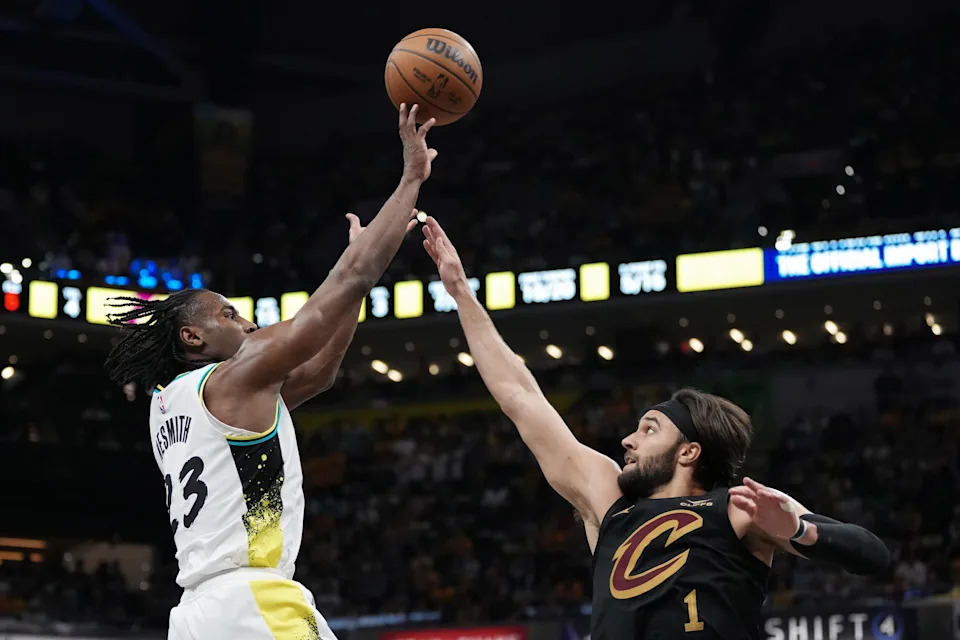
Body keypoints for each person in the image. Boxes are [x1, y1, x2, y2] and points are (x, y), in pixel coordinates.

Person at [420, 217, 890, 640]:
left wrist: (799, 530)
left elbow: (872, 554)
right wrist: (461, 292)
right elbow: (521, 396)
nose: (627, 439)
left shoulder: (738, 508)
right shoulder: (609, 499)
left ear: (688, 451)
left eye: (649, 429)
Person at [103, 105, 437, 640]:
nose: (249, 323)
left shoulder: (170, 404)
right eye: (228, 315)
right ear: (192, 337)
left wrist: (357, 288)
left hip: (195, 614)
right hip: (251, 601)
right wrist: (411, 179)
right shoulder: (235, 377)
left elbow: (320, 373)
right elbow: (348, 279)